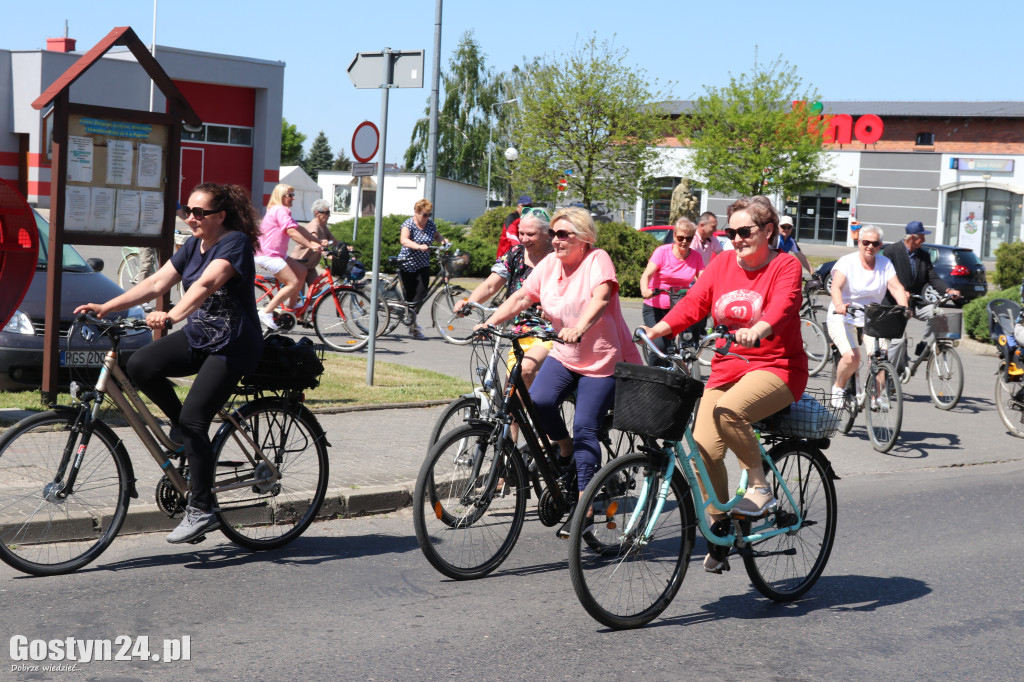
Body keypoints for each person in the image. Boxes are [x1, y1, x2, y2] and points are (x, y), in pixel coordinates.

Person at [74, 182, 264, 544]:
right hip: (201, 335)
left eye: (200, 212)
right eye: (188, 211)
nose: (191, 218)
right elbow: (158, 281)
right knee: (141, 364)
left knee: (195, 419)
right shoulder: (193, 245)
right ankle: (182, 432)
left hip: (233, 344)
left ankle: (202, 509)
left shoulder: (234, 243)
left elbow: (207, 283)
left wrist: (172, 316)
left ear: (220, 216)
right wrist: (107, 307)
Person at [639, 197, 807, 574]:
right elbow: (693, 304)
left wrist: (759, 329)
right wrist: (657, 330)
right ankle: (722, 530)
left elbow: (783, 306)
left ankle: (760, 488)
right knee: (702, 451)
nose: (736, 238)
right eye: (731, 231)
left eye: (745, 231)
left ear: (768, 231)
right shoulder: (722, 263)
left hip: (777, 367)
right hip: (726, 369)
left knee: (729, 411)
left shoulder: (785, 265)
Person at [482, 206, 641, 539]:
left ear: (584, 238)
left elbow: (601, 297)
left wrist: (579, 327)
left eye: (563, 234)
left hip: (600, 362)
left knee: (585, 427)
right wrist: (490, 322)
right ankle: (564, 449)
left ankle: (586, 507)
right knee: (537, 400)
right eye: (553, 234)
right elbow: (522, 296)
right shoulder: (550, 265)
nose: (556, 240)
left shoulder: (597, 259)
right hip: (565, 355)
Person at [456, 207, 554, 387]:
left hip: (548, 330)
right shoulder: (515, 253)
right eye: (521, 233)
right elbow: (490, 285)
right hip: (519, 330)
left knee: (526, 370)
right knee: (512, 392)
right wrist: (469, 303)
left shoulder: (557, 257)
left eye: (531, 234)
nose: (524, 239)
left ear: (547, 233)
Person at [827, 225, 910, 409]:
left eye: (875, 243)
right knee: (852, 357)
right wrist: (839, 305)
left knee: (880, 356)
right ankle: (838, 388)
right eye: (866, 242)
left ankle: (876, 396)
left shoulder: (884, 263)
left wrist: (904, 308)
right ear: (859, 242)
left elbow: (896, 287)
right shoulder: (847, 262)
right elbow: (836, 286)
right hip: (844, 315)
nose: (870, 246)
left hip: (871, 316)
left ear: (880, 245)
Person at [880, 220, 960, 371]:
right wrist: (901, 292)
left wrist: (948, 291)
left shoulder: (923, 255)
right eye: (922, 236)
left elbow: (933, 277)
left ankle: (924, 346)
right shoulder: (891, 251)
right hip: (894, 303)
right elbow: (885, 278)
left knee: (938, 314)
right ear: (912, 237)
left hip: (915, 302)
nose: (924, 240)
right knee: (898, 341)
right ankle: (891, 374)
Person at [255, 184, 326, 330]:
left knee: (301, 271)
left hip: (277, 254)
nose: (293, 198)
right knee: (292, 282)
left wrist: (318, 241)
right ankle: (266, 312)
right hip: (268, 255)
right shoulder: (279, 210)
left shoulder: (282, 211)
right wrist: (311, 246)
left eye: (293, 195)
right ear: (281, 196)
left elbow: (299, 229)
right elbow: (291, 232)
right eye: (290, 195)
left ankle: (292, 306)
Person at [638, 216, 705, 365]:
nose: (684, 241)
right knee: (660, 346)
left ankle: (681, 371)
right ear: (674, 236)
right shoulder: (662, 252)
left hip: (679, 307)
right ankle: (654, 374)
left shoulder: (696, 257)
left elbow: (703, 280)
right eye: (680, 237)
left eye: (688, 238)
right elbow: (646, 275)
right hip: (655, 306)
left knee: (686, 342)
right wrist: (645, 290)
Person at [398, 198, 449, 339]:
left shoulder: (430, 224)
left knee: (421, 294)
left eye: (429, 215)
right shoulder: (408, 224)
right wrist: (418, 246)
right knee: (410, 297)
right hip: (407, 264)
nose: (427, 218)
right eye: (424, 215)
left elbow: (436, 235)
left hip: (423, 264)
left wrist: (443, 241)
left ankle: (411, 320)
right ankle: (412, 325)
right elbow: (404, 240)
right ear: (416, 212)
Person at [289, 198, 334, 296]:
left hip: (310, 266)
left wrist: (346, 247)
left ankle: (307, 306)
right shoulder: (314, 226)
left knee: (316, 290)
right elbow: (314, 242)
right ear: (317, 213)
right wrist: (328, 255)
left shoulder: (323, 226)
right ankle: (289, 306)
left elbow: (334, 240)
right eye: (326, 213)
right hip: (299, 263)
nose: (328, 215)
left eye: (329, 212)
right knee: (298, 295)